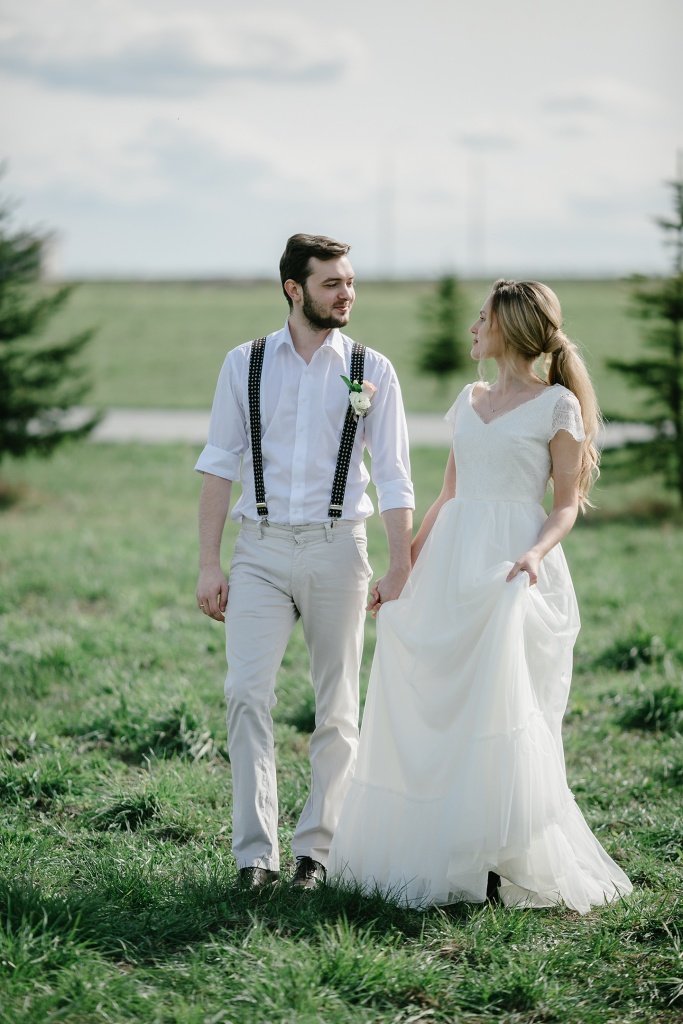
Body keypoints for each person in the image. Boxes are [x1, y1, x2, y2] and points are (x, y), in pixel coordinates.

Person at [328, 279, 633, 913]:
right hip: (451, 559)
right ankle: (441, 845)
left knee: (501, 704)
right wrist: (405, 565)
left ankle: (496, 856)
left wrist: (535, 554)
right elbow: (447, 494)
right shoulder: (468, 400)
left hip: (511, 565)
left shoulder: (556, 407)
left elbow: (566, 504)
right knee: (440, 692)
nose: (472, 327)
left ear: (510, 329)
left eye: (483, 318)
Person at [194, 234, 414, 890]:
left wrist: (398, 564)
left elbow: (394, 475)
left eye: (350, 282)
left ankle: (315, 851)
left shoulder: (372, 369)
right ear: (294, 289)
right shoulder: (245, 363)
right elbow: (219, 464)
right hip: (259, 549)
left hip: (338, 547)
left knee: (337, 708)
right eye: (331, 283)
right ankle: (254, 858)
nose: (347, 294)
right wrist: (209, 564)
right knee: (244, 694)